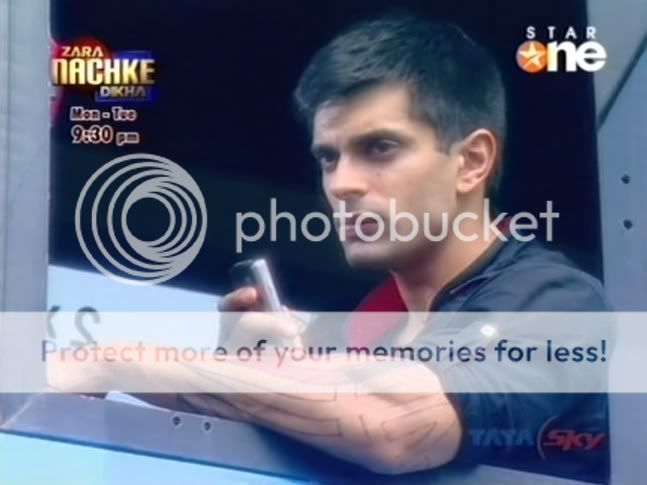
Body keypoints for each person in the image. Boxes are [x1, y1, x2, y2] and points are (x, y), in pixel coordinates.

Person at [51, 11, 611, 483]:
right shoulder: (363, 332)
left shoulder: (558, 302)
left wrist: (119, 361)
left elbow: (398, 425)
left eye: (380, 148)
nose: (341, 184)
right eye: (329, 158)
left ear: (472, 161)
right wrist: (253, 375)